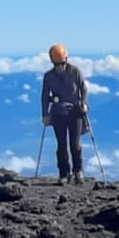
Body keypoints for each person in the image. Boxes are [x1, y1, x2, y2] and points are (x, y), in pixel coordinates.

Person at [41, 44, 90, 183]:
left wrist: (84, 103)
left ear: (66, 60)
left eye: (62, 63)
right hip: (58, 114)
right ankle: (64, 173)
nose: (60, 67)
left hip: (75, 113)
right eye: (57, 64)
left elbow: (83, 89)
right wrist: (45, 114)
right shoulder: (48, 77)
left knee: (75, 144)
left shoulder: (75, 71)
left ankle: (78, 171)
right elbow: (45, 96)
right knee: (62, 145)